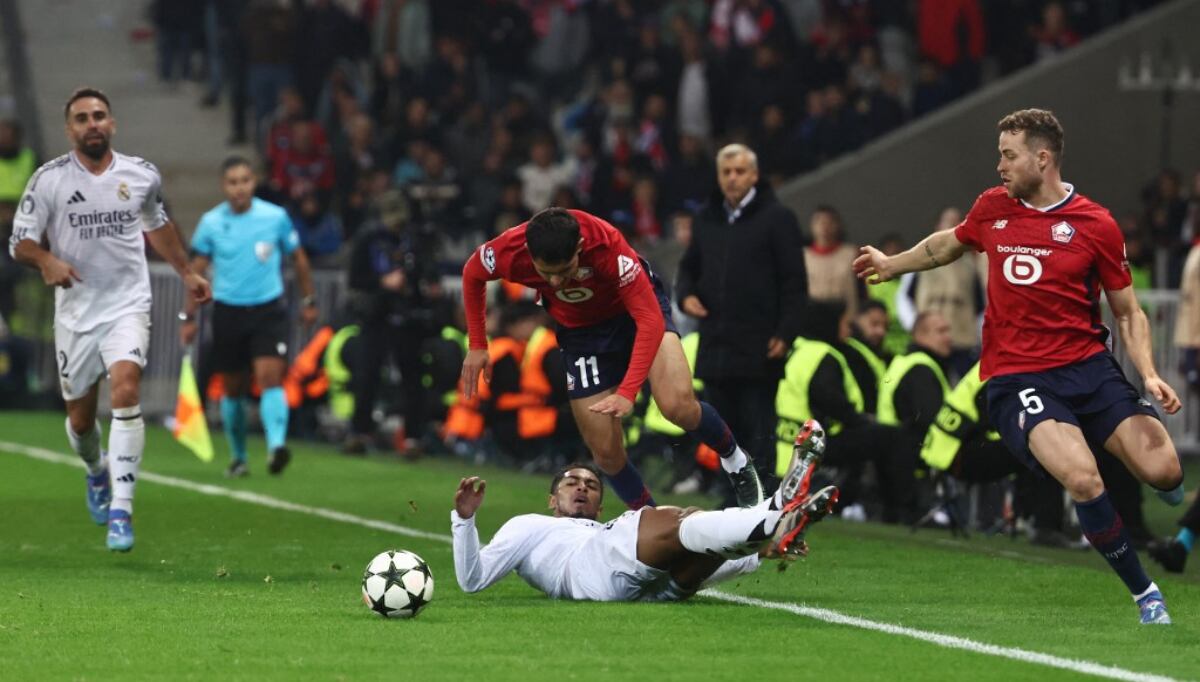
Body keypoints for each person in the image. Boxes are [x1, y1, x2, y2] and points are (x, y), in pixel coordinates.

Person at [853, 108, 1185, 624]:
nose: (1000, 165)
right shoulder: (992, 208)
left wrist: (1148, 372)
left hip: (1089, 369)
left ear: (1042, 157)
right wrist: (892, 264)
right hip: (1019, 376)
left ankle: (1159, 477)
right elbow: (947, 246)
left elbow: (1127, 310)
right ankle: (1146, 593)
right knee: (1083, 479)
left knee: (1164, 471)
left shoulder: (1096, 224)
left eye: (1009, 155)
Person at [8, 88, 212, 551]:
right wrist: (45, 261)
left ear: (112, 123)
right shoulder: (48, 180)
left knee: (126, 388)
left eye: (99, 115)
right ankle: (97, 470)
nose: (92, 123)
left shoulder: (140, 175)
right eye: (81, 118)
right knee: (80, 421)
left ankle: (122, 509)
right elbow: (18, 242)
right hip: (77, 312)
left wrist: (186, 272)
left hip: (127, 304)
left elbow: (157, 225)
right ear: (70, 130)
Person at [461, 207, 765, 511]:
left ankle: (737, 463)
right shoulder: (508, 250)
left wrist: (627, 391)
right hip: (581, 335)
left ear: (580, 248)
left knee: (677, 406)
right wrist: (477, 343)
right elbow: (472, 273)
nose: (555, 283)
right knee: (605, 452)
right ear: (529, 252)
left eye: (565, 271)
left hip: (634, 316)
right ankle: (652, 518)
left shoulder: (608, 247)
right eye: (546, 273)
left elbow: (650, 321)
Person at [452, 422, 838, 601]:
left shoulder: (599, 531)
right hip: (582, 572)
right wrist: (465, 520)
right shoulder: (529, 525)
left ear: (600, 507)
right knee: (665, 518)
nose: (582, 486)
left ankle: (773, 525)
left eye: (591, 484)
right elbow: (473, 579)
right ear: (552, 500)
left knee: (701, 542)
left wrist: (760, 553)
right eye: (572, 482)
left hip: (655, 590)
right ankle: (774, 510)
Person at [675, 143, 808, 504]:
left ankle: (761, 500)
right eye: (726, 172)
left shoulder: (778, 218)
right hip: (716, 344)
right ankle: (729, 495)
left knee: (758, 426)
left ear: (754, 174)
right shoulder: (706, 218)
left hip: (759, 344)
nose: (732, 178)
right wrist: (686, 294)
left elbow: (794, 283)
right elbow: (689, 267)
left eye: (739, 171)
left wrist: (785, 332)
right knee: (723, 430)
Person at [180, 156, 317, 478]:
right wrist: (188, 316)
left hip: (269, 309)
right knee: (233, 389)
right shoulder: (212, 222)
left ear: (253, 182)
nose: (239, 188)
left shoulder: (275, 217)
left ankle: (276, 447)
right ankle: (239, 457)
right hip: (228, 310)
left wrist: (308, 299)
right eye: (232, 182)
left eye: (244, 180)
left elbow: (298, 258)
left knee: (271, 377)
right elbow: (195, 271)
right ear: (223, 186)